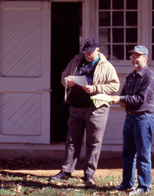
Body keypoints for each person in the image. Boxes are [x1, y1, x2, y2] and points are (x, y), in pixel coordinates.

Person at [49, 38, 120, 185]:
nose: (88, 55)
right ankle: (66, 171)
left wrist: (95, 88)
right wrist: (68, 82)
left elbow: (114, 86)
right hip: (76, 107)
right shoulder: (75, 61)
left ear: (98, 51)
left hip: (96, 109)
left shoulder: (106, 66)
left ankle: (89, 174)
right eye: (86, 52)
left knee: (93, 142)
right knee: (71, 141)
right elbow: (64, 77)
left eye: (91, 53)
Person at [111, 45, 154, 195]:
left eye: (137, 56)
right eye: (132, 56)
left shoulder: (150, 76)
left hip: (144, 119)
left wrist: (120, 99)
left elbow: (141, 99)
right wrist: (115, 99)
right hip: (130, 119)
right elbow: (124, 97)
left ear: (145, 58)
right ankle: (127, 184)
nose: (134, 59)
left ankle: (144, 187)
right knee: (127, 154)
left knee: (143, 155)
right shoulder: (130, 76)